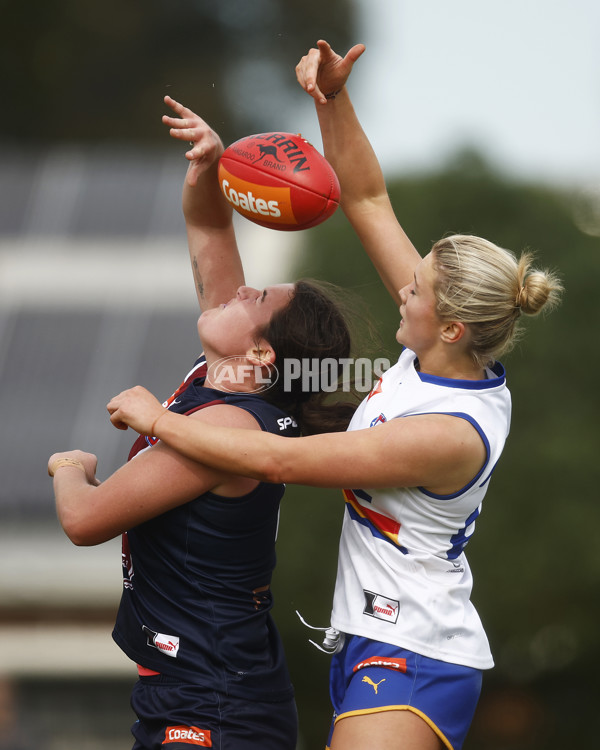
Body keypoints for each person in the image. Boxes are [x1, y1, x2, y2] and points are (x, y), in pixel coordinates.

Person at [106, 41, 564, 750]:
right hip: (373, 637)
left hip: (417, 652)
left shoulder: (450, 431)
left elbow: (281, 462)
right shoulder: (437, 351)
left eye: (417, 288)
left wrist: (157, 421)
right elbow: (367, 197)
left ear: (452, 324)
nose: (402, 286)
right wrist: (333, 101)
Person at [48, 94, 357, 750]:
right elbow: (212, 237)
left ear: (262, 353)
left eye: (259, 298)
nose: (244, 287)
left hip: (212, 696)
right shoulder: (219, 380)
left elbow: (85, 520)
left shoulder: (231, 427)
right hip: (207, 683)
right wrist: (210, 168)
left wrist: (69, 468)